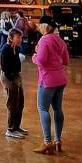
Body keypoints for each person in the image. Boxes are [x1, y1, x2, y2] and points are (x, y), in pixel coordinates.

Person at [32, 16, 70, 154]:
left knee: (43, 109)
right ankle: (58, 140)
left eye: (40, 25)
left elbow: (41, 60)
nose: (39, 28)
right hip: (60, 79)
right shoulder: (60, 40)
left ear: (45, 26)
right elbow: (66, 61)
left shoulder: (44, 40)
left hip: (47, 80)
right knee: (58, 109)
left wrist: (34, 56)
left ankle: (47, 142)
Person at [0, 28, 27, 140]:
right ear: (11, 38)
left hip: (16, 76)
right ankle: (10, 129)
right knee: (12, 103)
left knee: (20, 103)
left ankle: (17, 127)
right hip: (8, 77)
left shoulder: (17, 48)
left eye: (21, 37)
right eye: (18, 37)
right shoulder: (6, 49)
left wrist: (17, 76)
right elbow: (4, 67)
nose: (20, 39)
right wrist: (12, 79)